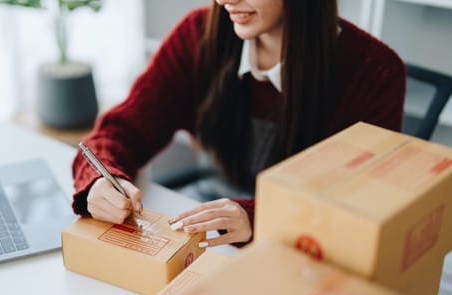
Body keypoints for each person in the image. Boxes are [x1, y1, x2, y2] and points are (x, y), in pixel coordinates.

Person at [72, 0, 406, 248]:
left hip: (304, 249)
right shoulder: (197, 35)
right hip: (214, 235)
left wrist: (257, 216)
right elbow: (118, 133)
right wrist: (102, 182)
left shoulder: (375, 72)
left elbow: (355, 205)